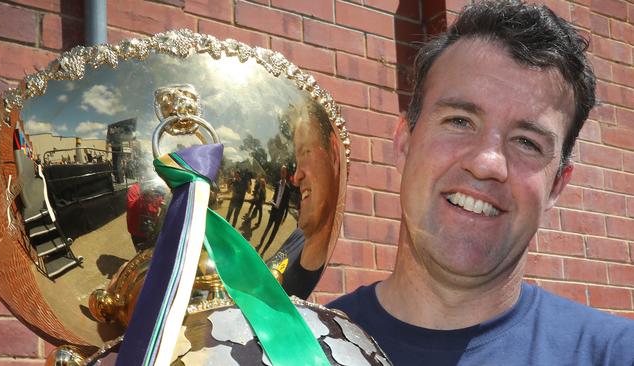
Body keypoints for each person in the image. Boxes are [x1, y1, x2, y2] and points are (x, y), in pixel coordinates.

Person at [329, 1, 634, 365]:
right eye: (460, 121)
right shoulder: (300, 349)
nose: (488, 163)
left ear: (556, 186)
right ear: (404, 142)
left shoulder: (614, 354)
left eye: (527, 142)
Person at [276, 99, 340, 299]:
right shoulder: (296, 237)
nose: (296, 177)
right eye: (296, 160)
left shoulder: (333, 291)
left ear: (334, 153)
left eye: (306, 152)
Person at [256, 165, 291, 254]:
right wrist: (272, 201)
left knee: (273, 233)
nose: (282, 173)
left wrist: (284, 217)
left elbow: (287, 205)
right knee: (267, 228)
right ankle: (260, 243)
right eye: (281, 171)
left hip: (280, 214)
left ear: (286, 173)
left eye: (284, 171)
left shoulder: (288, 188)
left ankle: (264, 251)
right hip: (273, 211)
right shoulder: (276, 184)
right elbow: (275, 196)